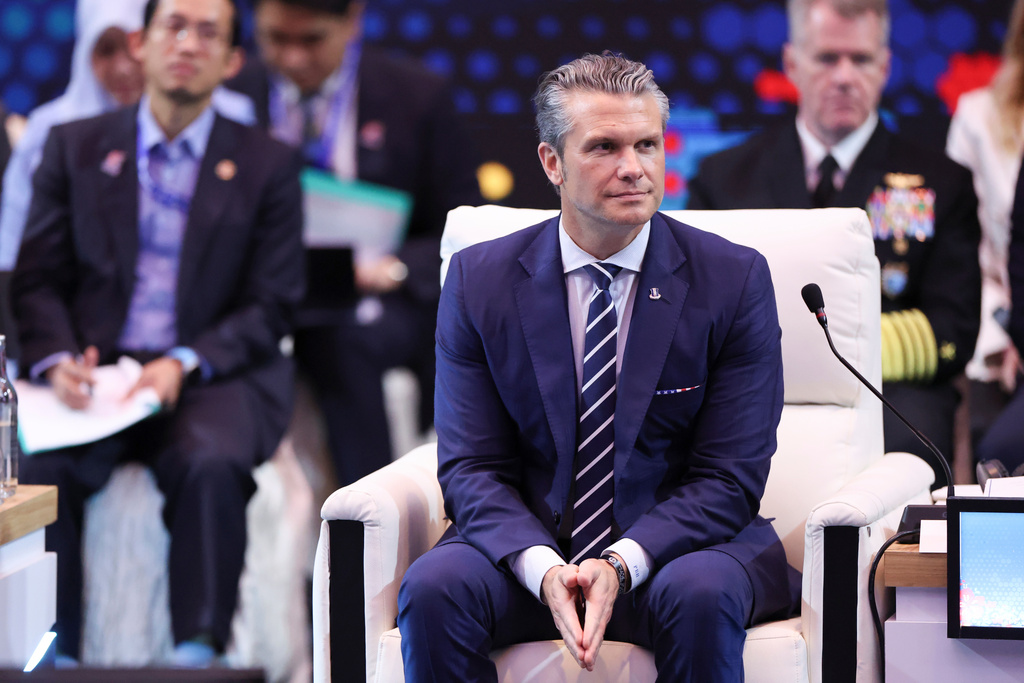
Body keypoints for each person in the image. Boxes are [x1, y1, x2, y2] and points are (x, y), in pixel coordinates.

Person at [397, 53, 798, 682]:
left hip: (678, 552)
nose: (633, 167)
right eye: (605, 147)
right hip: (533, 551)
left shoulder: (733, 279)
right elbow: (472, 467)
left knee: (701, 594)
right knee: (434, 588)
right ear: (552, 163)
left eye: (647, 144)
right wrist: (541, 567)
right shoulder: (479, 281)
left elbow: (729, 477)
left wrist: (621, 562)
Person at [12, 0, 304, 665]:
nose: (188, 44)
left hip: (209, 372)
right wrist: (56, 357)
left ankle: (197, 655)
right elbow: (35, 279)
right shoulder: (75, 146)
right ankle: (48, 658)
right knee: (37, 468)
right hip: (95, 372)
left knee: (211, 462)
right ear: (140, 44)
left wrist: (184, 360)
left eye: (208, 33)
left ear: (231, 61)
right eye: (173, 26)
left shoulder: (268, 163)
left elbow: (273, 303)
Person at [688, 0, 982, 485]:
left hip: (890, 391)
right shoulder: (723, 180)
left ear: (885, 67)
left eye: (861, 59)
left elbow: (953, 328)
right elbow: (697, 313)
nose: (844, 76)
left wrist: (830, 356)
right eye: (827, 58)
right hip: (747, 387)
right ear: (792, 63)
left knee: (905, 464)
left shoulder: (943, 182)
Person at [227, 0, 481, 485]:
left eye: (312, 40)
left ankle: (369, 515)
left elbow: (462, 224)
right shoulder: (231, 95)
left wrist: (393, 269)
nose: (293, 57)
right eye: (276, 39)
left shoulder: (416, 95)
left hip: (377, 294)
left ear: (353, 22)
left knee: (342, 341)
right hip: (260, 291)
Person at [0, 0, 255, 273]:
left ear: (146, 43)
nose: (123, 68)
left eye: (130, 49)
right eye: (106, 50)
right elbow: (14, 252)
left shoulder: (230, 120)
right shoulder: (56, 131)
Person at [946, 0, 1024, 474]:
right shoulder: (978, 119)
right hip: (1003, 332)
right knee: (997, 453)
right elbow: (968, 255)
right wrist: (1014, 332)